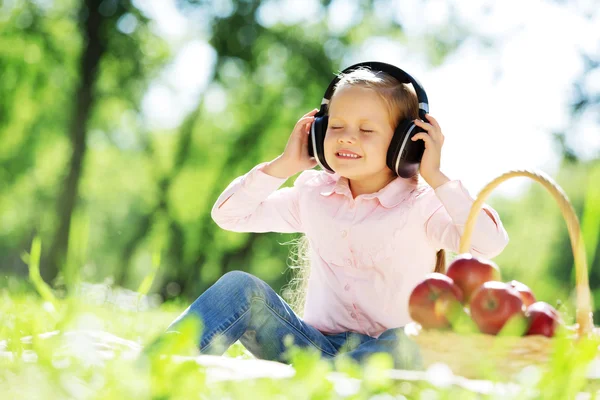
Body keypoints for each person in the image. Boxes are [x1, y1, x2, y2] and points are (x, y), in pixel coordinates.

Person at [160, 62, 509, 369]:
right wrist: (284, 166)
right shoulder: (313, 193)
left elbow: (488, 244)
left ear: (407, 143)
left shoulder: (424, 204)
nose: (347, 139)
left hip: (385, 356)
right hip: (310, 348)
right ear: (318, 132)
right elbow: (230, 216)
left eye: (367, 130)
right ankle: (160, 362)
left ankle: (330, 385)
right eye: (336, 126)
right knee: (240, 287)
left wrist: (437, 178)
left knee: (415, 339)